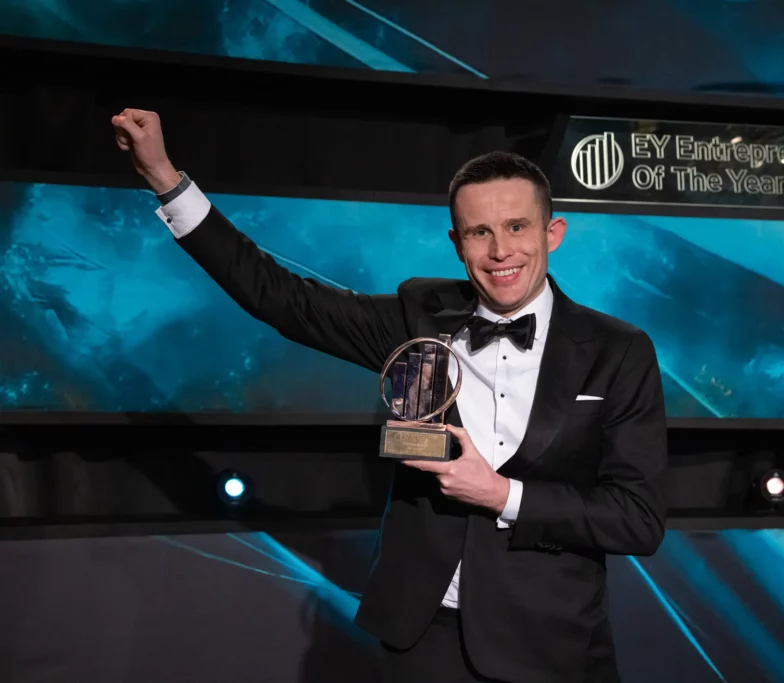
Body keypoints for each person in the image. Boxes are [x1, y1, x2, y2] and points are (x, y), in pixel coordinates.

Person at [111, 108, 668, 683]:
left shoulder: (617, 350)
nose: (501, 250)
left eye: (517, 227)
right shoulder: (418, 318)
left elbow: (638, 519)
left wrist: (503, 495)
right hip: (423, 636)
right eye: (479, 232)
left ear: (553, 233)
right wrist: (164, 178)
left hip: (547, 641)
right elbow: (279, 297)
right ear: (457, 243)